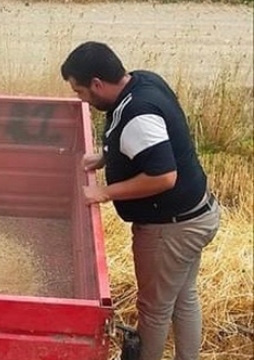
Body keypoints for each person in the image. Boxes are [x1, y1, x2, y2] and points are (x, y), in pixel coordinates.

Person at [60, 41, 221, 360]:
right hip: (199, 213)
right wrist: (106, 158)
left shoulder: (137, 113)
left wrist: (105, 192)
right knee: (183, 297)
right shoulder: (143, 82)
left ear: (97, 83)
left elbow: (163, 176)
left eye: (80, 92)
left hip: (172, 229)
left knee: (154, 310)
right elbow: (148, 142)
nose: (82, 100)